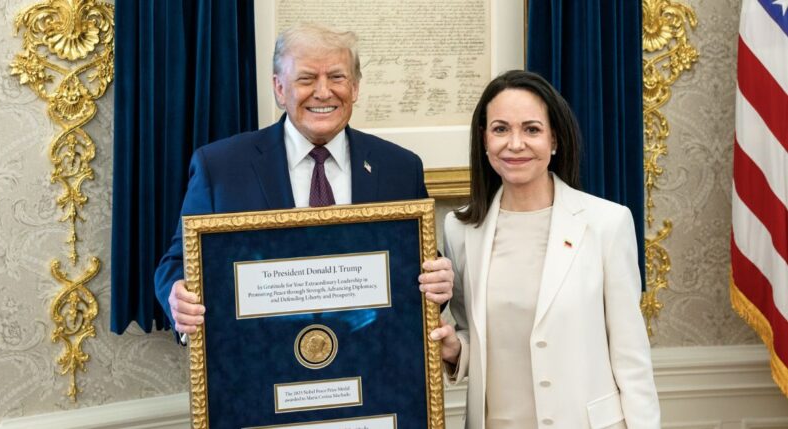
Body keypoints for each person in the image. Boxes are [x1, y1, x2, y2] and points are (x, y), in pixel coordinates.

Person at [154, 23, 453, 337]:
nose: (323, 92)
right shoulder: (220, 168)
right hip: (260, 356)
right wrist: (178, 297)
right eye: (306, 79)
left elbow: (418, 267)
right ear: (279, 88)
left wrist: (439, 281)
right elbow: (179, 262)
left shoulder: (400, 168)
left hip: (371, 356)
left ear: (355, 87)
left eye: (337, 77)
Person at [430, 70, 660, 428]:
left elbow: (631, 356)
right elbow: (474, 334)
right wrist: (455, 350)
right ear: (484, 139)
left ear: (554, 140)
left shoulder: (607, 224)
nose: (515, 144)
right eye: (501, 129)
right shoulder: (460, 229)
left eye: (532, 130)